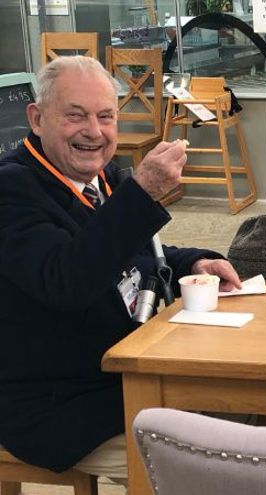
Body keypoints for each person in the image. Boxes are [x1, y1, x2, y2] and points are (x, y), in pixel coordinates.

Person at [0, 56, 242, 482]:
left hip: (126, 376)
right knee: (219, 468)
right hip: (59, 404)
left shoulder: (96, 176)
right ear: (37, 119)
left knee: (244, 406)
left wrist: (193, 261)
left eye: (106, 116)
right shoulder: (12, 189)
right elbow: (67, 280)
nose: (94, 132)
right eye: (75, 116)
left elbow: (122, 250)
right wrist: (142, 192)